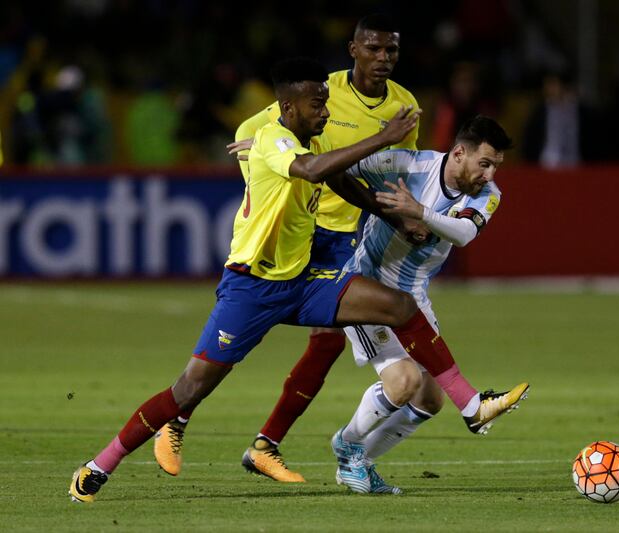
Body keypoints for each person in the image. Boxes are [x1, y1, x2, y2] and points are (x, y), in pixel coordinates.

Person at [69, 57, 527, 504]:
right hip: (251, 289)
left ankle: (469, 404)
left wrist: (395, 215)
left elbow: (341, 181)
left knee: (399, 307)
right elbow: (310, 171)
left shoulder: (313, 147)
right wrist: (382, 138)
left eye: (326, 103)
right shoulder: (275, 140)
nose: (325, 112)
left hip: (305, 282)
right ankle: (100, 464)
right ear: (289, 109)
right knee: (188, 388)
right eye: (316, 105)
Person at [153, 14, 422, 482]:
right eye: (373, 49)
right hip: (303, 230)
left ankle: (265, 445)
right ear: (353, 49)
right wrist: (264, 171)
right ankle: (177, 420)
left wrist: (396, 213)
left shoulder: (404, 106)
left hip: (343, 239)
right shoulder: (321, 90)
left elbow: (393, 170)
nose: (383, 59)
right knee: (237, 339)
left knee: (329, 342)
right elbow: (255, 130)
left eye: (391, 51)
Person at [332, 115, 525, 494]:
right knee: (403, 382)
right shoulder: (407, 163)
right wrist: (277, 153)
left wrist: (419, 212)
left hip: (413, 296)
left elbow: (465, 233)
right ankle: (347, 444)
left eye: (496, 166)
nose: (489, 174)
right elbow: (339, 167)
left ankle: (359, 463)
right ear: (458, 153)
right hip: (366, 289)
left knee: (430, 398)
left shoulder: (488, 194)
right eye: (484, 164)